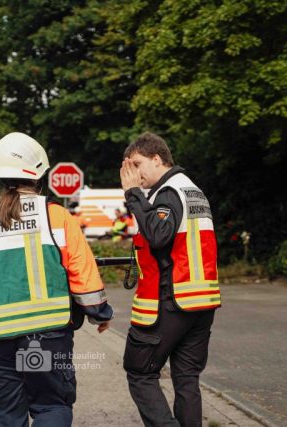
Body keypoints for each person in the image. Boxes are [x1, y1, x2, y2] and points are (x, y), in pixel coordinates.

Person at [0, 132, 114, 427]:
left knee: (6, 414)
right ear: (39, 175)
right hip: (44, 337)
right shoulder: (54, 215)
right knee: (50, 406)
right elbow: (82, 272)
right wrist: (98, 313)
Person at [119, 132, 221, 427]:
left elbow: (158, 236)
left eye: (137, 164)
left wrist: (133, 195)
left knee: (140, 372)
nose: (134, 173)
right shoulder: (192, 190)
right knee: (186, 377)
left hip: (171, 301)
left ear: (156, 159)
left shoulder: (168, 192)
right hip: (201, 302)